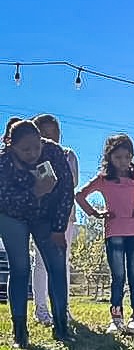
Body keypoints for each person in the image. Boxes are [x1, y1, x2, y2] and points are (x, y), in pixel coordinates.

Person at [74, 134, 134, 335]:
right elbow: (80, 196)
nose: (123, 161)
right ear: (109, 158)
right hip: (113, 232)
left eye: (127, 157)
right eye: (118, 157)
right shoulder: (103, 180)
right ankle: (116, 317)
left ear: (132, 157)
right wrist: (95, 213)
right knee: (118, 275)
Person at [0, 120, 75, 345]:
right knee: (20, 267)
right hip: (11, 216)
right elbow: (5, 200)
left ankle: (62, 327)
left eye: (36, 147)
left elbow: (66, 190)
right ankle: (20, 332)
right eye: (25, 149)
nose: (33, 153)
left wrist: (59, 228)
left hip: (46, 215)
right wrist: (35, 192)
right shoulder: (3, 163)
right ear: (11, 145)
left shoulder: (53, 151)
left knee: (56, 265)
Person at [31, 114, 79, 326]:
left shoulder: (68, 154)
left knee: (62, 263)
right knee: (41, 263)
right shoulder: (28, 157)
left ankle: (62, 308)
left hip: (65, 217)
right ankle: (41, 309)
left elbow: (72, 182)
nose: (51, 138)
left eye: (55, 133)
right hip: (40, 217)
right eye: (45, 134)